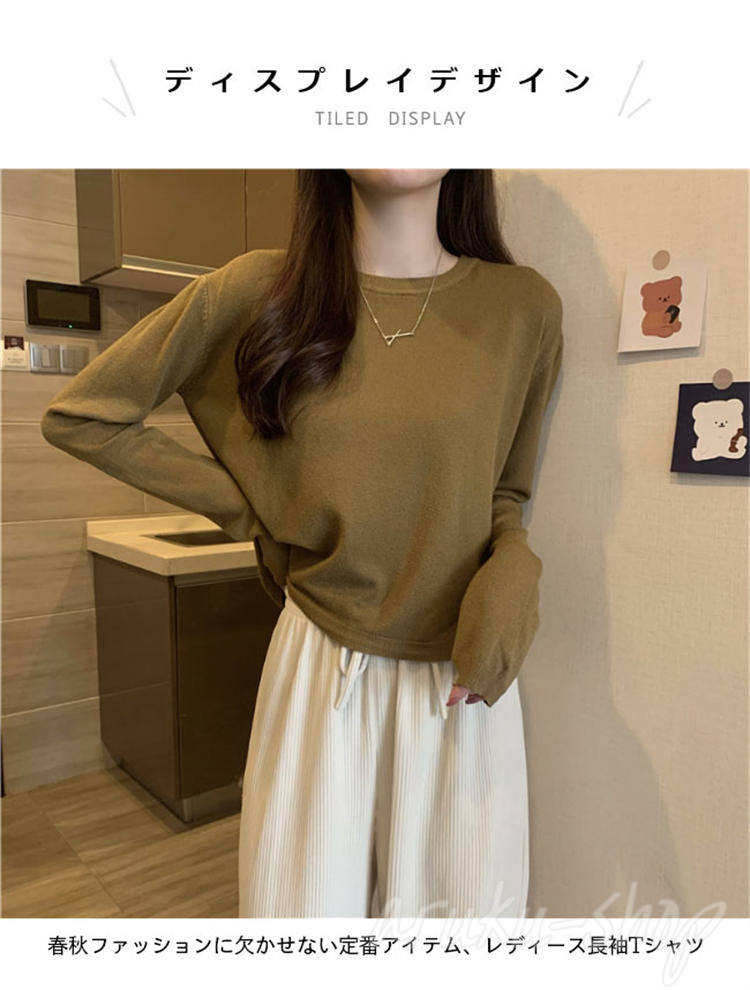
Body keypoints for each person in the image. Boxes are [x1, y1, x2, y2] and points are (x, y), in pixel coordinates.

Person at [40, 168, 564, 919]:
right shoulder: (258, 291)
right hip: (321, 664)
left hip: (462, 677)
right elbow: (84, 414)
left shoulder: (523, 308)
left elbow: (506, 491)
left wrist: (516, 570)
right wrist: (253, 511)